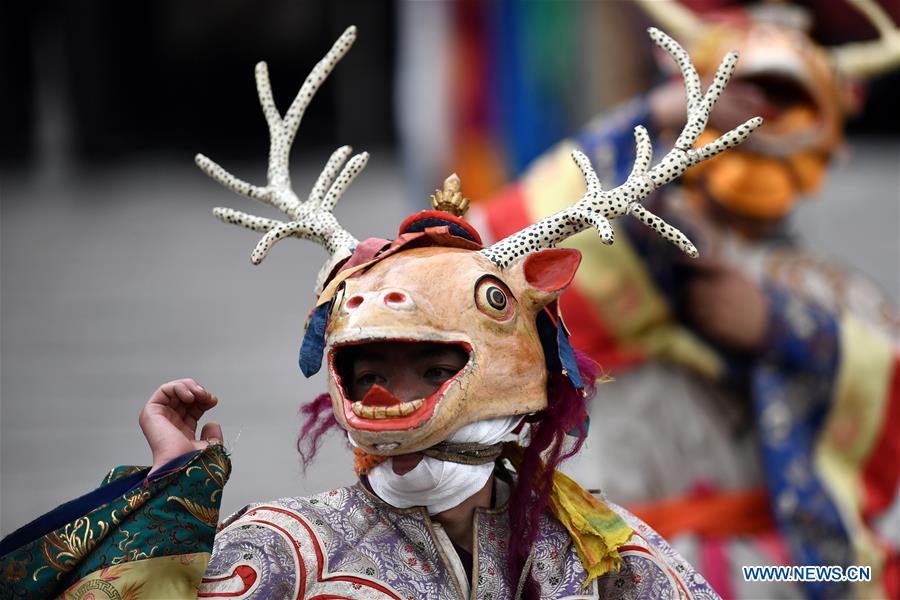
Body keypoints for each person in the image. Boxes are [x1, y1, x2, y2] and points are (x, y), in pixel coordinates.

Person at [0, 25, 760, 599]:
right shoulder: (288, 548)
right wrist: (166, 499)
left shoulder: (597, 550)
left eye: (433, 366)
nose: (395, 393)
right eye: (374, 368)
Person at [474, 2, 899, 598]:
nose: (754, 126)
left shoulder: (833, 295)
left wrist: (783, 330)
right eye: (736, 102)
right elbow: (494, 249)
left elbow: (883, 400)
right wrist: (655, 112)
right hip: (610, 560)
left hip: (772, 573)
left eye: (782, 103)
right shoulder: (628, 237)